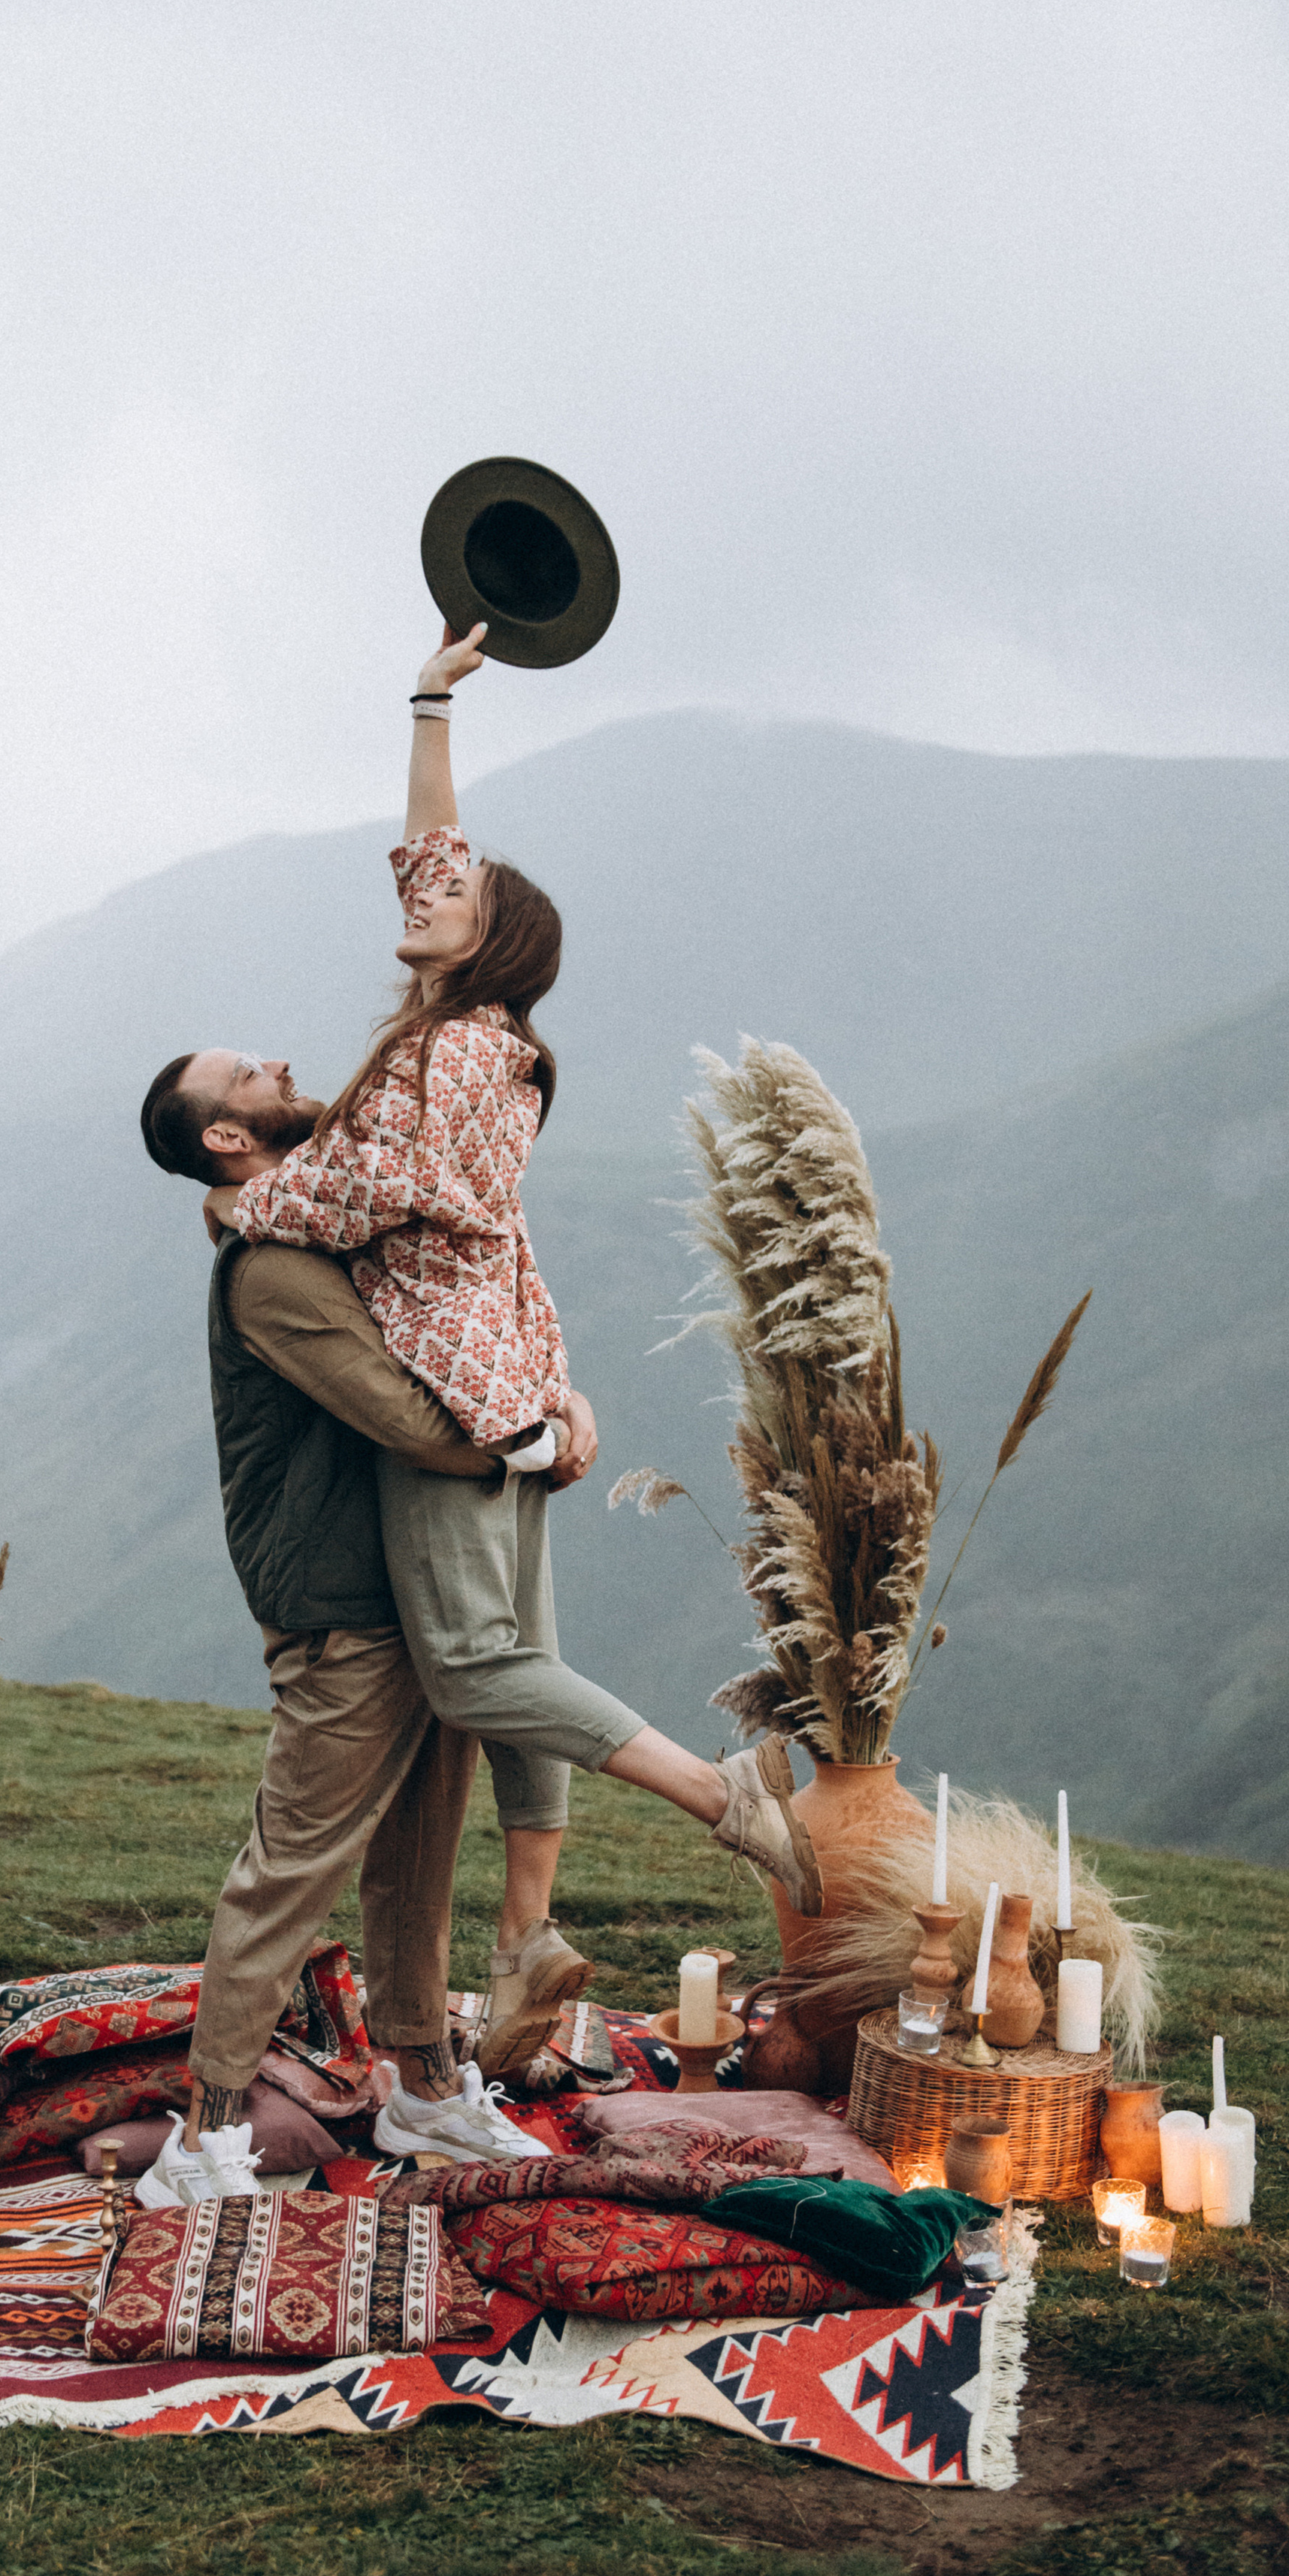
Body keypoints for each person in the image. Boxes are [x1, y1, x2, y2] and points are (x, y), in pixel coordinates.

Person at [197, 618, 822, 1933]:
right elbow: (431, 850)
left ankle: (725, 1800)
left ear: (488, 944)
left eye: (455, 900)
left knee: (478, 1672)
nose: (426, 894)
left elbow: (386, 1191)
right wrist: (430, 704)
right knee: (516, 1662)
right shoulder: (465, 1038)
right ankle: (530, 1932)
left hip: (454, 1390)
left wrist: (253, 1200)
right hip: (511, 1383)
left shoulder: (462, 1054)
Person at [137, 1054, 565, 2199]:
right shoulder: (270, 1271)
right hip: (341, 1612)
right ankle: (204, 2136)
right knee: (291, 1870)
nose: (280, 1063)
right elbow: (410, 1418)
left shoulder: (327, 1234)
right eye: (247, 1071)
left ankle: (424, 2091)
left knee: (417, 1862)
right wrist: (536, 1436)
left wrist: (550, 1399)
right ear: (227, 1137)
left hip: (421, 1592)